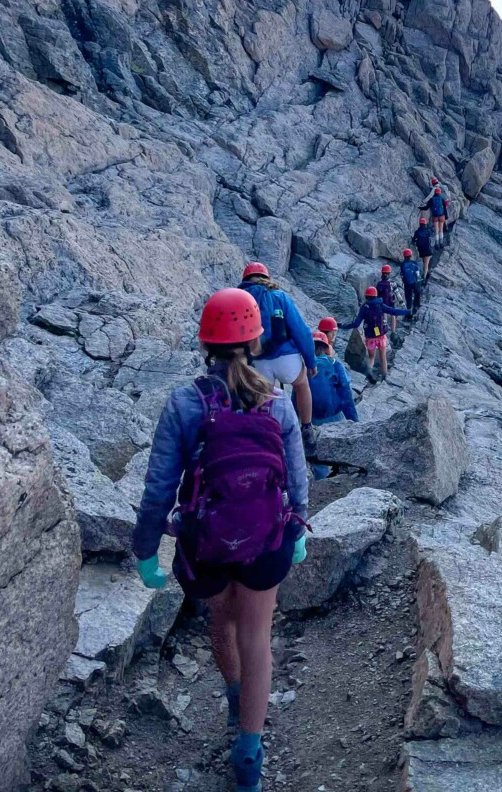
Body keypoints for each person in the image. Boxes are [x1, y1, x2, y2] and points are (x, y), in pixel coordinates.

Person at [132, 288, 309, 792]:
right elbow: (297, 482)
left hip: (206, 542)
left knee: (222, 622)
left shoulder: (186, 403)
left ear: (205, 342)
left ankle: (235, 698)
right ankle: (249, 752)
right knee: (257, 637)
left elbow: (158, 488)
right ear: (255, 340)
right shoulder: (277, 406)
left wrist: (147, 550)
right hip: (267, 540)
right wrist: (296, 532)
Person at [237, 262, 318, 456]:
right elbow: (301, 331)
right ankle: (307, 428)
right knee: (301, 383)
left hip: (259, 362)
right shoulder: (279, 296)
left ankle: (268, 439)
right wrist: (310, 361)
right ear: (266, 278)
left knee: (264, 400)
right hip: (286, 358)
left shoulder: (242, 301)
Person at [299, 331, 359, 479]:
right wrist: (355, 422)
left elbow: (297, 395)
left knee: (315, 454)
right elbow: (346, 396)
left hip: (311, 419)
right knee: (340, 449)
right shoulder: (335, 365)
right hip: (334, 417)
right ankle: (340, 475)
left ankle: (321, 480)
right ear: (326, 348)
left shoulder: (303, 367)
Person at [340, 285, 411, 381]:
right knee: (383, 358)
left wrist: (343, 326)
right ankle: (385, 376)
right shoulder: (380, 304)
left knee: (371, 357)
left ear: (366, 296)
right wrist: (408, 311)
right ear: (376, 295)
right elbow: (393, 311)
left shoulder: (364, 307)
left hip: (370, 338)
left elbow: (356, 324)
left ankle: (369, 371)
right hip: (381, 336)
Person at [375, 264, 399, 337]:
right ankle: (393, 332)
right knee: (393, 315)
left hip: (382, 304)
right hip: (390, 302)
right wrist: (403, 304)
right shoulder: (392, 283)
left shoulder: (379, 284)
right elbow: (398, 294)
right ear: (389, 274)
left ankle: (381, 332)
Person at [401, 248, 423, 314]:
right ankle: (416, 305)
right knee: (417, 292)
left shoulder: (402, 264)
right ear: (410, 256)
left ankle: (408, 310)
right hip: (414, 282)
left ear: (404, 256)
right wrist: (419, 282)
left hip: (407, 284)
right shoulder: (414, 263)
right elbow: (418, 273)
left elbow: (402, 274)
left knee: (408, 297)